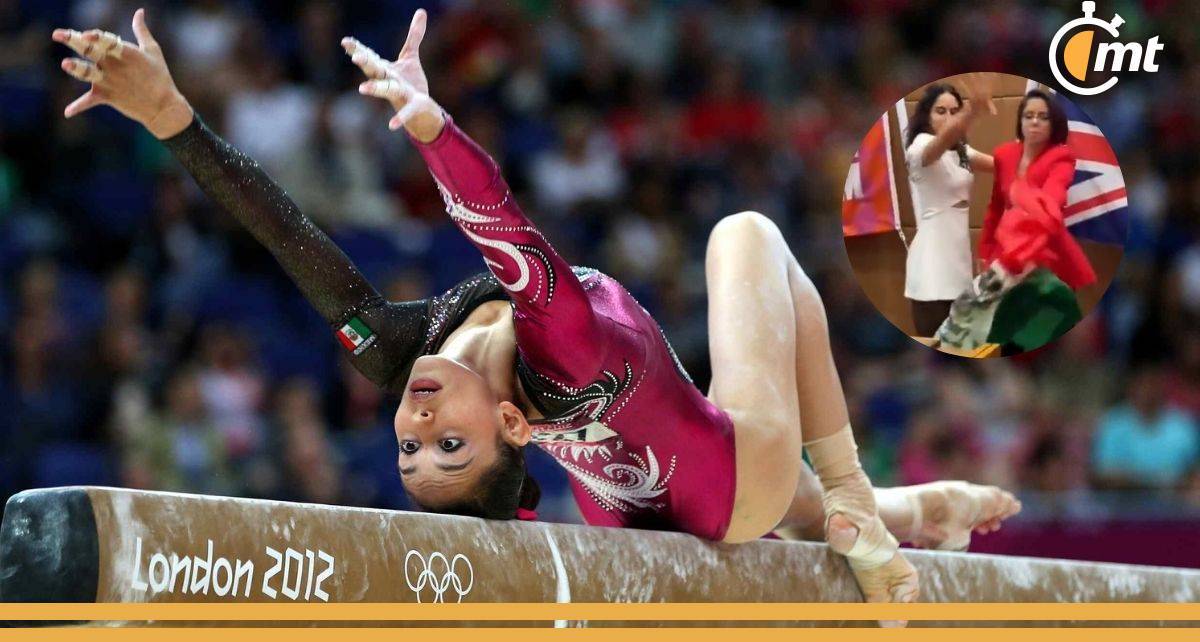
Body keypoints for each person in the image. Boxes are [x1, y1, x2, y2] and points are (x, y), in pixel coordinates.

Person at [53, 9, 1021, 611]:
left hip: (632, 508)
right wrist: (432, 129)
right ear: (514, 426)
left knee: (765, 490)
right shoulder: (556, 346)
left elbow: (285, 236)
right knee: (746, 236)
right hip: (731, 485)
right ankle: (854, 495)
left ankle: (906, 511)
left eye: (410, 449)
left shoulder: (398, 351)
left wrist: (172, 118)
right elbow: (500, 225)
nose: (416, 425)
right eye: (450, 446)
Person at [937, 89, 1096, 353]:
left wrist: (1028, 203)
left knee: (1033, 336)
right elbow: (995, 209)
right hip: (1005, 254)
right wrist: (985, 252)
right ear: (1020, 121)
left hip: (1043, 252)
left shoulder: (1061, 157)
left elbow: (1053, 198)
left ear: (1053, 123)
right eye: (1028, 116)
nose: (1034, 122)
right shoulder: (1005, 155)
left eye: (1042, 117)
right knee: (995, 328)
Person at [902, 78, 995, 337]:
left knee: (962, 344)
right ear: (927, 116)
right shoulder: (920, 146)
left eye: (954, 111)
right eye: (940, 111)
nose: (949, 118)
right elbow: (942, 142)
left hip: (958, 259)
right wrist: (970, 111)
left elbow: (1002, 165)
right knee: (936, 343)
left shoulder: (961, 151)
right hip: (932, 263)